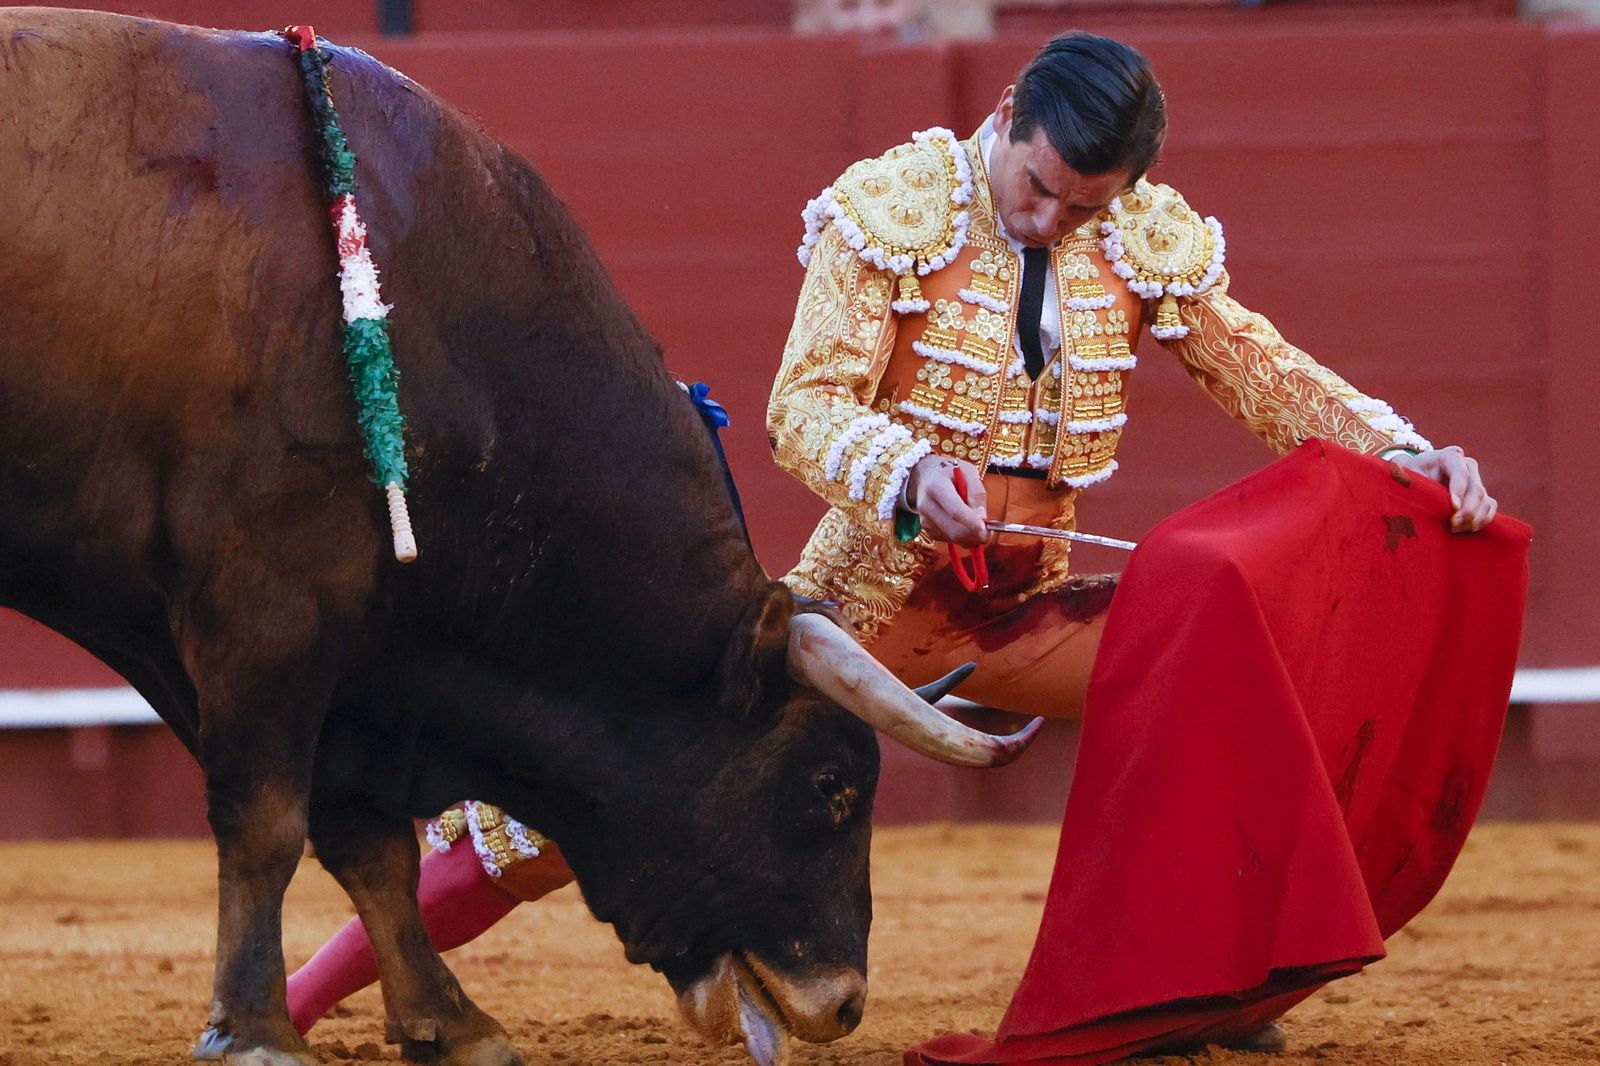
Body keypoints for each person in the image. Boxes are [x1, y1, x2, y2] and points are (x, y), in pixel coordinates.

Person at [287, 30, 1498, 1047]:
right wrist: (912, 471)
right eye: (1040, 189)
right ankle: (295, 994)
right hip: (865, 605)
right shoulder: (893, 214)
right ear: (1012, 115)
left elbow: (1255, 366)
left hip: (1030, 605)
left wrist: (1403, 454)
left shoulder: (1129, 235)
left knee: (1232, 683)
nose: (1051, 221)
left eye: (1084, 207)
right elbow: (801, 408)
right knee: (541, 831)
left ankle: (1217, 990)